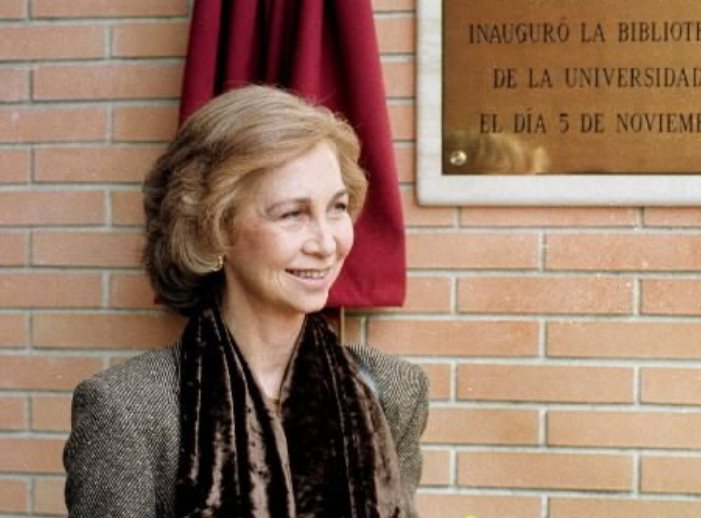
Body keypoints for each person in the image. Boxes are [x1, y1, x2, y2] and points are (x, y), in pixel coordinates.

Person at [63, 85, 429, 517]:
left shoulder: (393, 390)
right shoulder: (127, 412)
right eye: (292, 214)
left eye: (337, 207)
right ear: (213, 229)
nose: (327, 243)